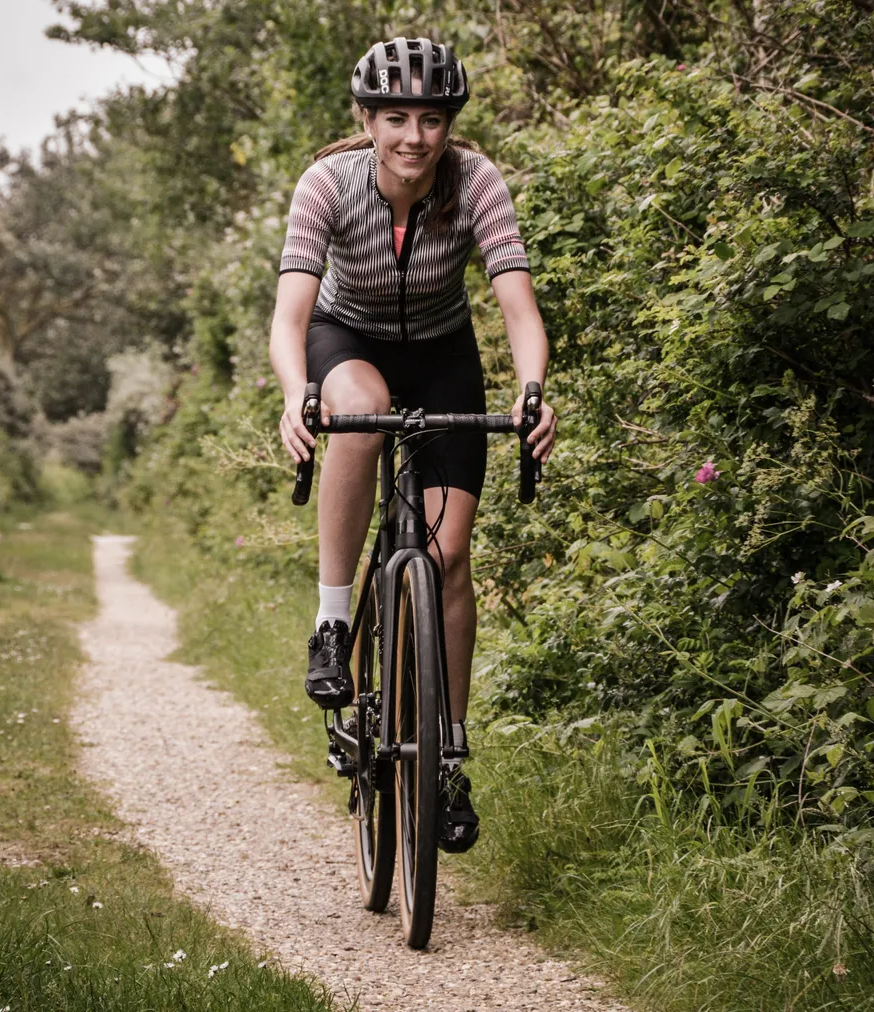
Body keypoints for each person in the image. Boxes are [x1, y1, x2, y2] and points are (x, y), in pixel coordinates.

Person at [269, 37, 556, 852]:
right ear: (366, 121)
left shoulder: (477, 184)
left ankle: (446, 759)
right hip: (345, 336)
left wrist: (532, 389)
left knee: (450, 554)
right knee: (356, 403)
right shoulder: (327, 183)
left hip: (442, 355)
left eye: (431, 119)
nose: (413, 136)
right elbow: (290, 320)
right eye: (394, 117)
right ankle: (333, 622)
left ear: (448, 126)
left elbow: (518, 310)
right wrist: (299, 395)